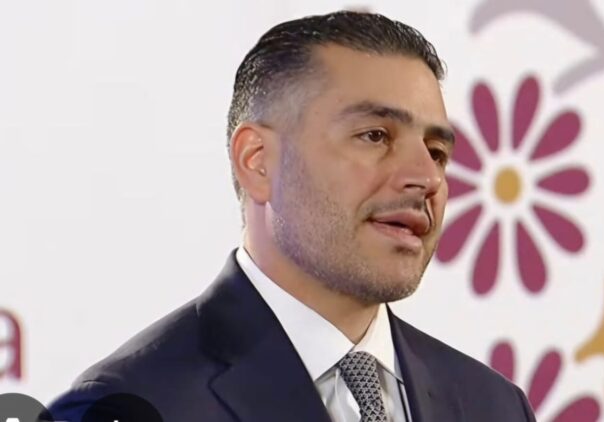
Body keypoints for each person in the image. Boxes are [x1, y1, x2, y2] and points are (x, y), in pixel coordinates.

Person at [49, 10, 536, 422]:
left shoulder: (494, 406)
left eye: (436, 152)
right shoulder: (131, 404)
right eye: (375, 136)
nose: (425, 177)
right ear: (257, 161)